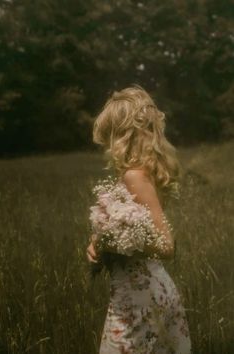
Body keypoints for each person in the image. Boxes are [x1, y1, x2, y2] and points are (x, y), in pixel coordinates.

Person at [86, 85, 192, 353]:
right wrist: (99, 242)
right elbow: (135, 229)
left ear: (123, 134)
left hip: (139, 300)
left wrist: (112, 243)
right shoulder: (145, 172)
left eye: (111, 134)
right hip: (143, 292)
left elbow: (167, 246)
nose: (107, 145)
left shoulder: (135, 175)